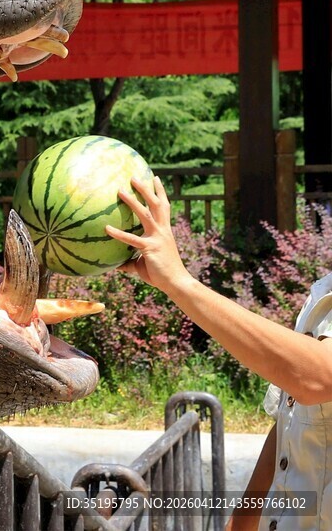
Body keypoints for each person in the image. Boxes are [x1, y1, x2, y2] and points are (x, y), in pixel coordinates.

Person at [106, 176, 332, 531]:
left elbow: (318, 377)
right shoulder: (324, 290)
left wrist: (179, 282)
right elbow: (292, 426)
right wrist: (238, 525)